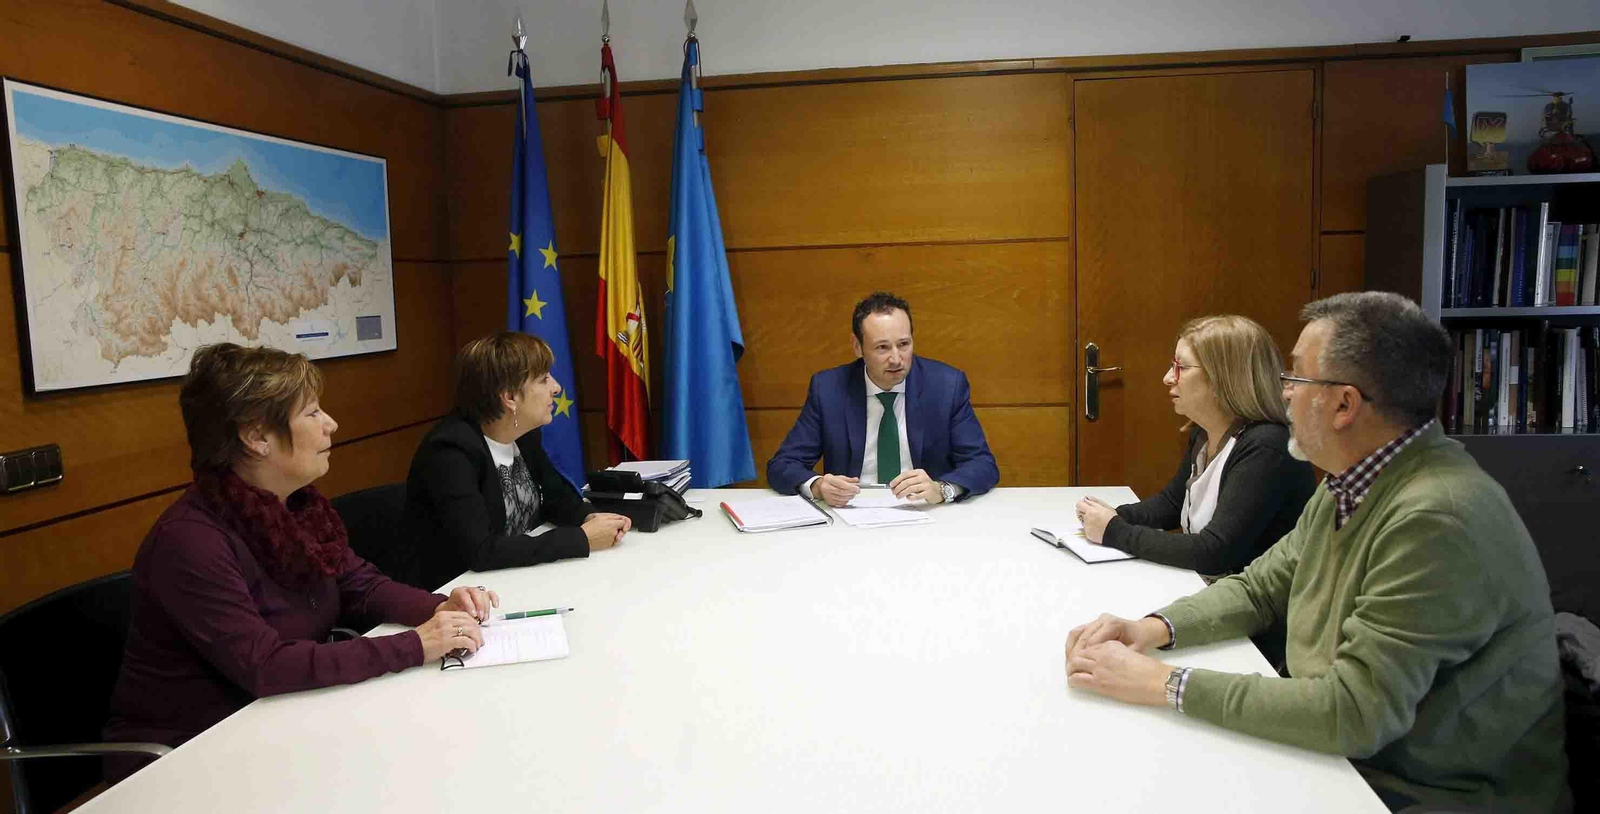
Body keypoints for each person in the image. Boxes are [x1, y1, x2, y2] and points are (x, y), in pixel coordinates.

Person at [1061, 292, 1569, 813]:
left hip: (1428, 792)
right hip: (1360, 761)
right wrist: (1149, 628)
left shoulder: (1435, 518)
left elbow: (1353, 714)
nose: (1282, 395)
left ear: (1344, 404)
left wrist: (1165, 682)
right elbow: (1259, 588)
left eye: (1295, 378)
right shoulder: (1353, 482)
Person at [104, 344, 497, 782]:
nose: (331, 424)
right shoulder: (189, 541)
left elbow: (359, 583)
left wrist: (437, 607)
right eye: (311, 413)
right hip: (189, 760)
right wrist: (417, 644)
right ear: (256, 437)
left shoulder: (296, 507)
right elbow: (266, 665)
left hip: (282, 722)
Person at [1074, 315, 1314, 577]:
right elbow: (1171, 505)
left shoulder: (1267, 447)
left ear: (1224, 377)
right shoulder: (1204, 433)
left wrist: (1114, 530)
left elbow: (1213, 552)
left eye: (1181, 368)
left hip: (1255, 610)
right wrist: (1111, 516)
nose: (1168, 378)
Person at [403, 331, 630, 592]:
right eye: (544, 379)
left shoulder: (523, 434)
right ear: (509, 397)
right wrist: (581, 539)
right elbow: (481, 550)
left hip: (517, 580)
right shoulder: (449, 452)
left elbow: (557, 500)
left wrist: (592, 516)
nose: (556, 387)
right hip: (458, 596)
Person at [766, 291, 999, 507]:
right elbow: (783, 465)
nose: (896, 359)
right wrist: (818, 486)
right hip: (852, 513)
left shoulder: (947, 386)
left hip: (925, 512)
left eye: (904, 344)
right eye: (882, 347)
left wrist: (942, 489)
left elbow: (982, 465)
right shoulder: (829, 389)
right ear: (858, 347)